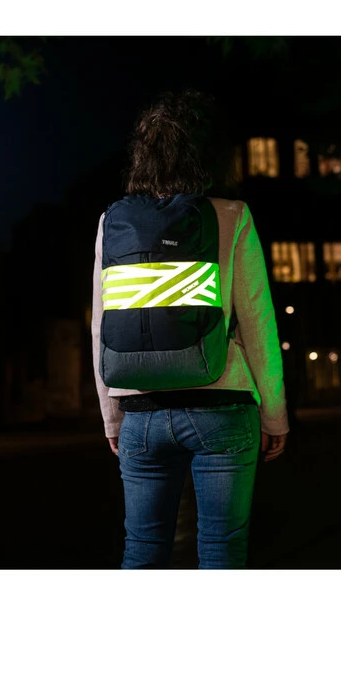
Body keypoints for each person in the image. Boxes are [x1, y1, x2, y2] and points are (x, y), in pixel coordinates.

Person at [91, 90, 289, 569]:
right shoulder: (231, 215)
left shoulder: (112, 222)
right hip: (222, 405)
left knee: (142, 550)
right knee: (221, 550)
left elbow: (100, 324)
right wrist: (275, 416)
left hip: (141, 413)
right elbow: (258, 323)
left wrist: (112, 417)